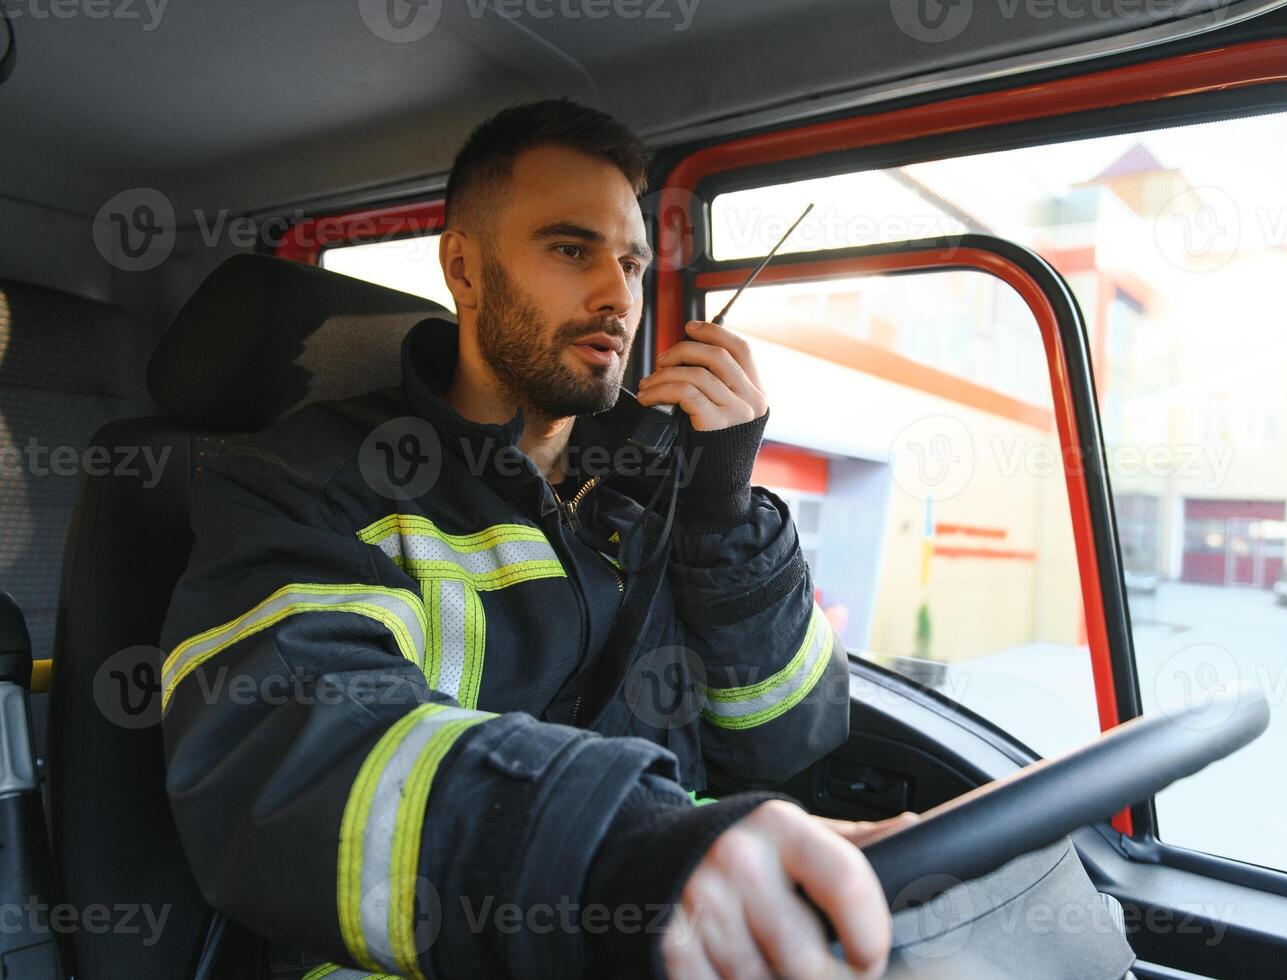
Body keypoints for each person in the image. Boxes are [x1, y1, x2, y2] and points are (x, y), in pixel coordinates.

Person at [158, 99, 895, 979]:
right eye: (570, 249)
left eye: (630, 261)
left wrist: (723, 518)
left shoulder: (656, 489)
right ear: (464, 269)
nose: (619, 296)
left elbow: (789, 734)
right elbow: (289, 768)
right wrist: (627, 859)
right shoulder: (306, 482)